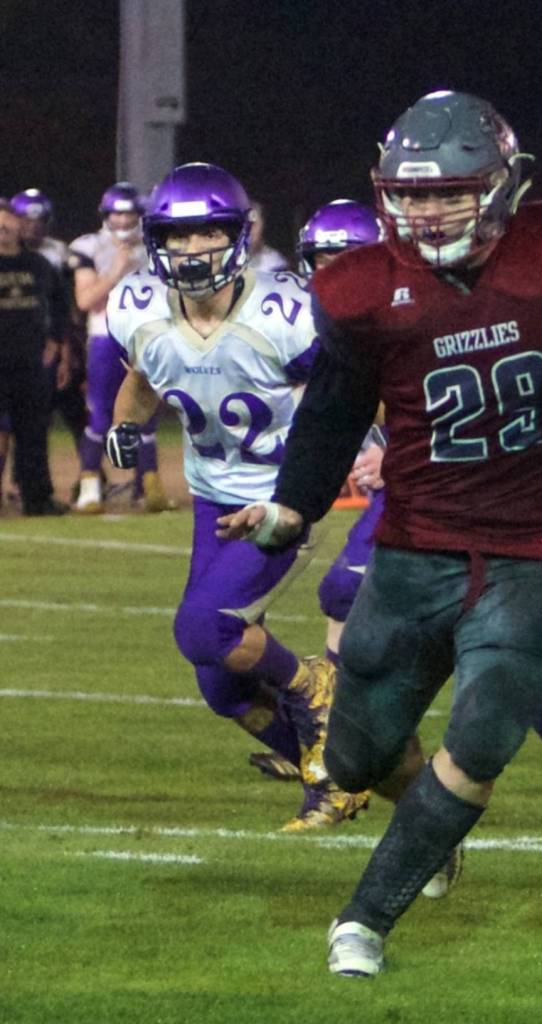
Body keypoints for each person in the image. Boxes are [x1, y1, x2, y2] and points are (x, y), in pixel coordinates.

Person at [217, 90, 542, 977]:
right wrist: (293, 508)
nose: (426, 211)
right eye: (409, 193)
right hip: (414, 543)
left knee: (480, 737)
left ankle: (363, 918)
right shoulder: (360, 287)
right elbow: (331, 412)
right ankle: (427, 834)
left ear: (505, 185)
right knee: (357, 756)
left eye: (451, 192)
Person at [103, 161, 368, 832]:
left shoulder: (285, 311)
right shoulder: (137, 305)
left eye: (209, 234)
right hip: (210, 498)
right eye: (179, 237)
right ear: (155, 240)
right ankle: (336, 774)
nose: (194, 250)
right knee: (219, 682)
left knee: (204, 629)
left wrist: (375, 448)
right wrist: (123, 431)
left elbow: (355, 387)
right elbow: (143, 374)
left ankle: (315, 683)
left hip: (280, 498)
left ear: (239, 235)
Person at [251, 198, 384, 787]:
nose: (333, 275)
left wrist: (402, 449)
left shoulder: (401, 319)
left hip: (446, 481)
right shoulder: (324, 328)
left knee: (347, 590)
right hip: (396, 485)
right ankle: (330, 740)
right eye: (323, 261)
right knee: (343, 595)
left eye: (347, 260)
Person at [69, 182, 170, 514]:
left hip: (146, 337)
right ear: (106, 215)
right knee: (100, 414)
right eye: (118, 213)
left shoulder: (156, 244)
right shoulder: (90, 246)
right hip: (105, 338)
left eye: (130, 214)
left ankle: (148, 487)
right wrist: (116, 269)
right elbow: (86, 300)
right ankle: (89, 488)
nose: (125, 221)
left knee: (147, 414)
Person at [11, 188, 88, 480]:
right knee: (20, 420)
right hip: (17, 347)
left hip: (56, 344)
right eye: (27, 220)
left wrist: (70, 351)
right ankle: (20, 482)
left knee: (75, 412)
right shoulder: (8, 253)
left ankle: (91, 477)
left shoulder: (58, 252)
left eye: (39, 219)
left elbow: (66, 308)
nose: (34, 226)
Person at [0, 199, 69, 515]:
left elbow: (59, 307)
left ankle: (37, 498)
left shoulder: (39, 264)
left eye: (7, 224)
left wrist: (57, 343)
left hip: (30, 363)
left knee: (33, 434)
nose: (3, 231)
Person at [247, 201, 288, 272]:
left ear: (262, 226)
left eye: (254, 224)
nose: (250, 229)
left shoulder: (275, 263)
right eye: (246, 224)